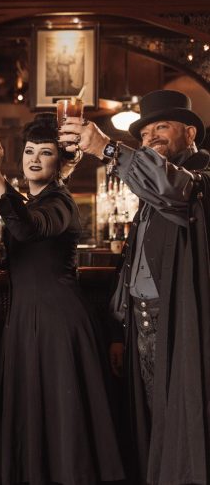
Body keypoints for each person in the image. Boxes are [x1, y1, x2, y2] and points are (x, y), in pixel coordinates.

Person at [62, 89, 210, 484]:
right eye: (144, 133)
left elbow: (172, 188)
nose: (151, 137)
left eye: (161, 127)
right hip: (140, 327)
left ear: (190, 133)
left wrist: (107, 148)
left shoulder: (199, 181)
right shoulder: (147, 191)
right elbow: (132, 265)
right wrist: (118, 331)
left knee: (182, 423)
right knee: (150, 421)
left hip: (181, 325)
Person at [0, 113, 125, 484]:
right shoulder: (32, 200)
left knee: (62, 424)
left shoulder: (59, 201)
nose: (34, 159)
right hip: (30, 320)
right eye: (29, 151)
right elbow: (22, 235)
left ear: (59, 163)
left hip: (57, 325)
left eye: (45, 153)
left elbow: (29, 229)